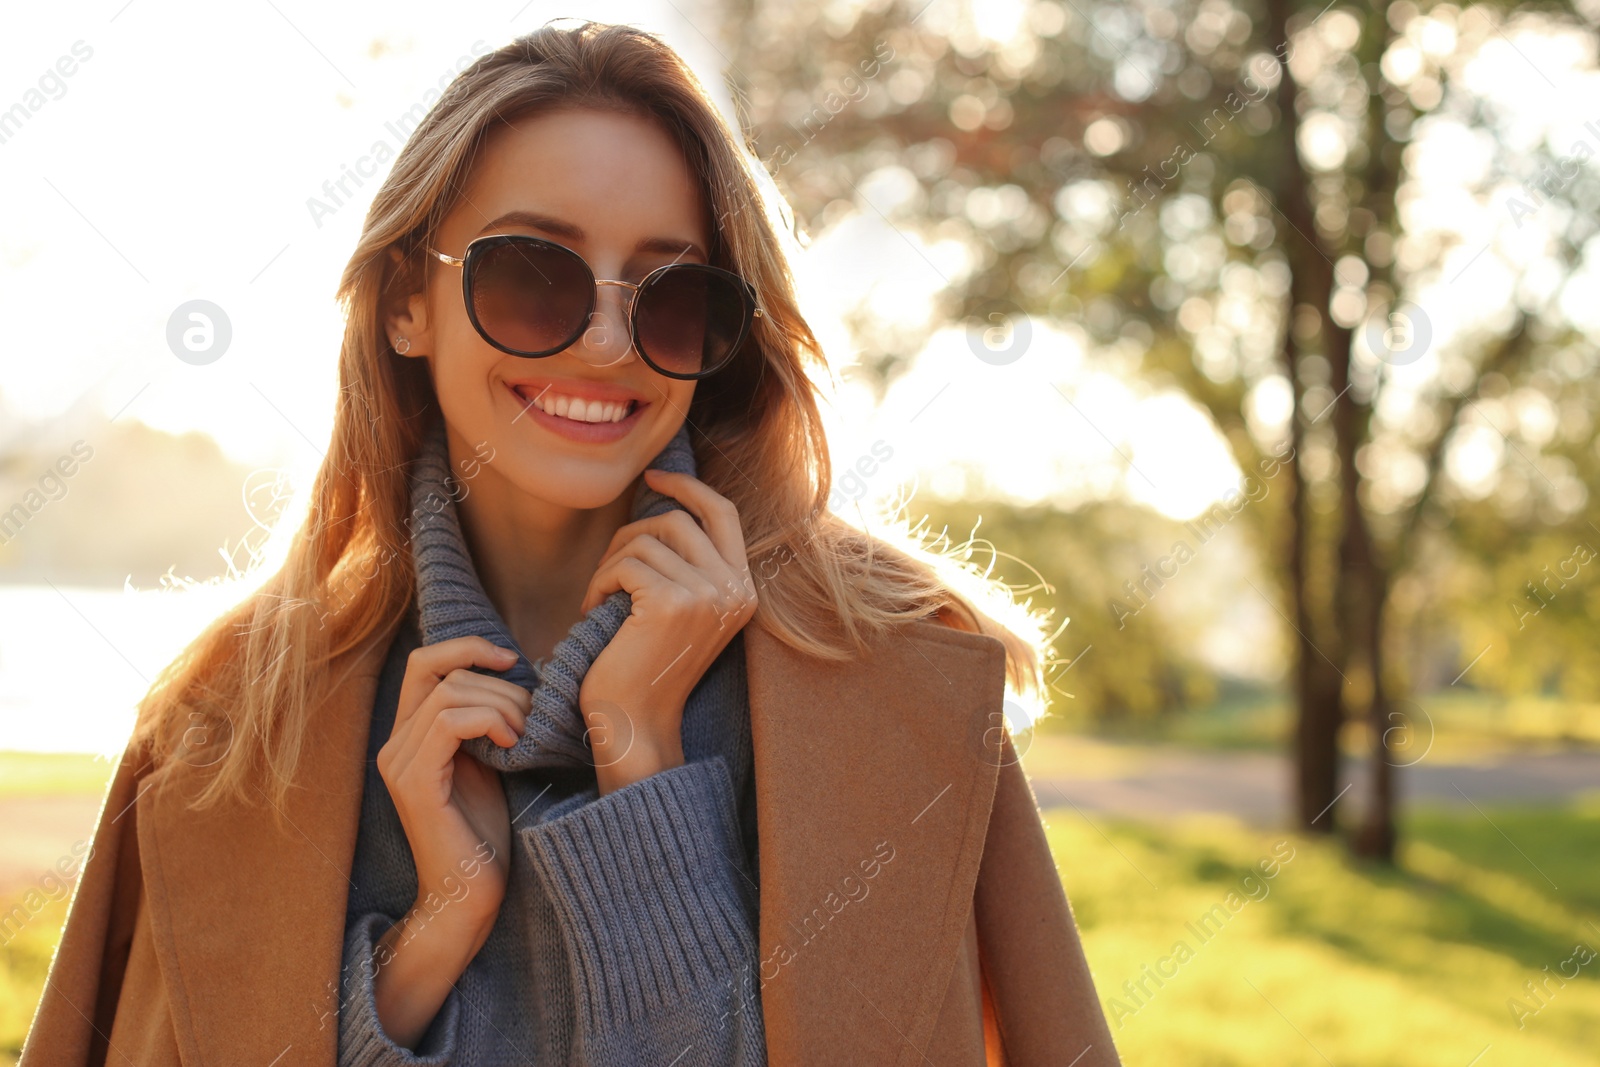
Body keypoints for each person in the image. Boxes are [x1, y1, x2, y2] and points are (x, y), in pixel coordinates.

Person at [22, 19, 1120, 1067]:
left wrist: (637, 751)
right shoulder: (226, 728)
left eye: (671, 294)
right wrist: (429, 940)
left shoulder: (897, 686)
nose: (604, 341)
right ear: (408, 303)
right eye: (531, 275)